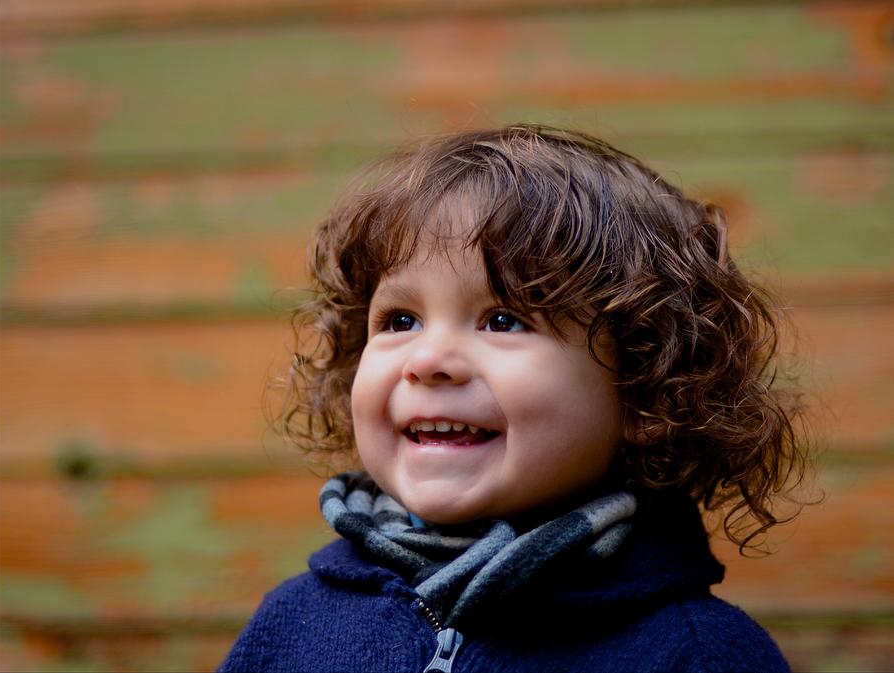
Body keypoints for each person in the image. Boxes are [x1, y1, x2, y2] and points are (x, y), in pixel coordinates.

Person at [219, 124, 809, 672]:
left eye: (502, 320)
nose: (427, 361)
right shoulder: (291, 627)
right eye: (400, 319)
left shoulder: (697, 653)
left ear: (644, 390)